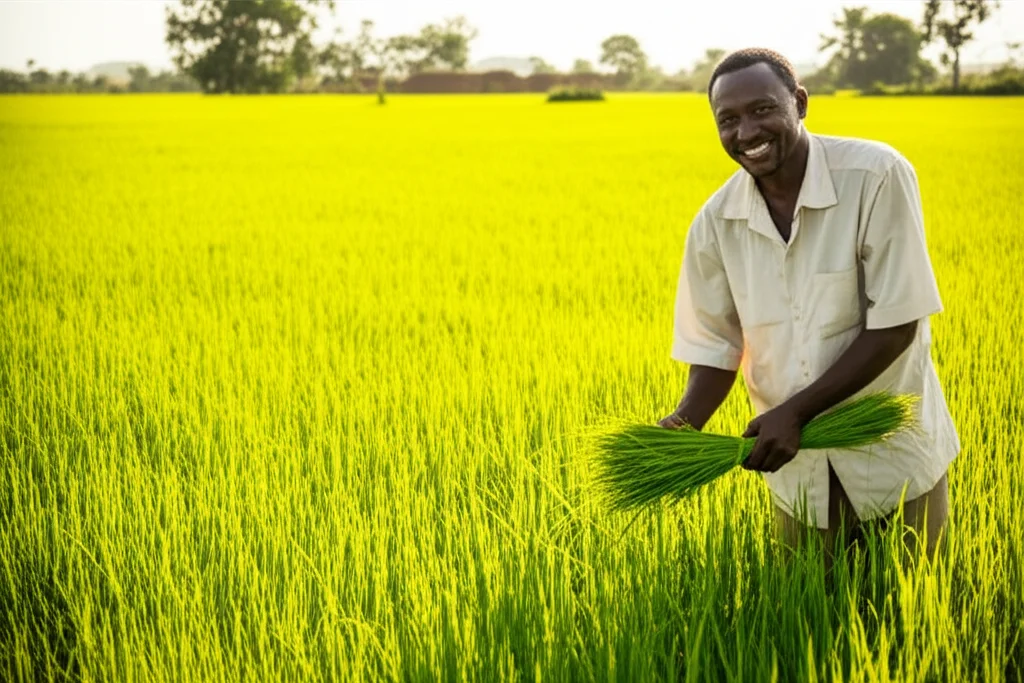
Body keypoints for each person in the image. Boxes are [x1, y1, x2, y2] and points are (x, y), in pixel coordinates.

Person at [658, 48, 958, 563]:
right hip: (796, 478)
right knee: (809, 628)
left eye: (762, 110)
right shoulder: (715, 224)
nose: (746, 132)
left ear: (799, 102)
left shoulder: (875, 176)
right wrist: (680, 427)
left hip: (894, 460)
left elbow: (897, 323)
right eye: (727, 120)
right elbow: (715, 347)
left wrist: (793, 412)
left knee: (914, 619)